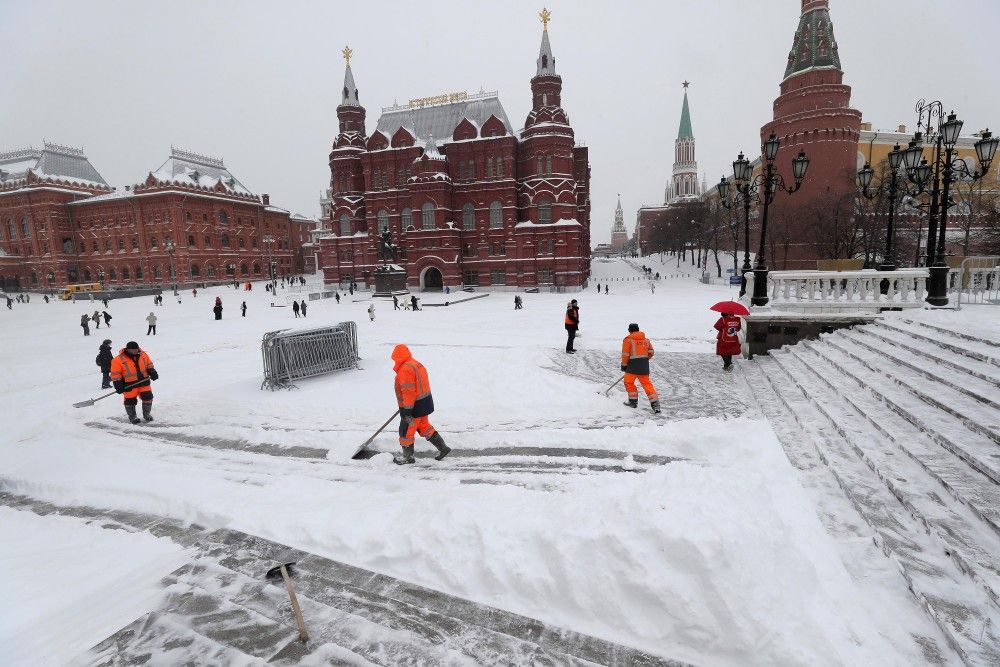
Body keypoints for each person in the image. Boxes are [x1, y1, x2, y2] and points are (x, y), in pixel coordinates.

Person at [391, 344, 450, 464]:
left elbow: (409, 392)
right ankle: (443, 448)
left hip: (414, 409)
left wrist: (407, 410)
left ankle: (408, 457)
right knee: (424, 427)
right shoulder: (416, 363)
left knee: (406, 431)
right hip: (424, 404)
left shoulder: (405, 370)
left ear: (397, 357)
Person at [110, 341, 158, 424]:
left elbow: (149, 364)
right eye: (133, 349)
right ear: (128, 349)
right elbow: (115, 373)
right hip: (129, 385)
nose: (136, 351)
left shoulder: (143, 355)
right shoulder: (118, 360)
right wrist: (117, 384)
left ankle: (147, 414)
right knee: (130, 401)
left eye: (136, 349)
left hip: (144, 382)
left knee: (148, 398)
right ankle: (133, 417)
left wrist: (152, 371)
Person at [621, 323, 660, 413]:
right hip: (644, 366)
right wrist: (644, 359)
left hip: (632, 366)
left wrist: (624, 365)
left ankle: (633, 402)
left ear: (629, 331)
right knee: (647, 385)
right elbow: (651, 352)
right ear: (638, 329)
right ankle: (656, 405)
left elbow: (625, 354)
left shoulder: (628, 340)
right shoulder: (646, 340)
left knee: (628, 382)